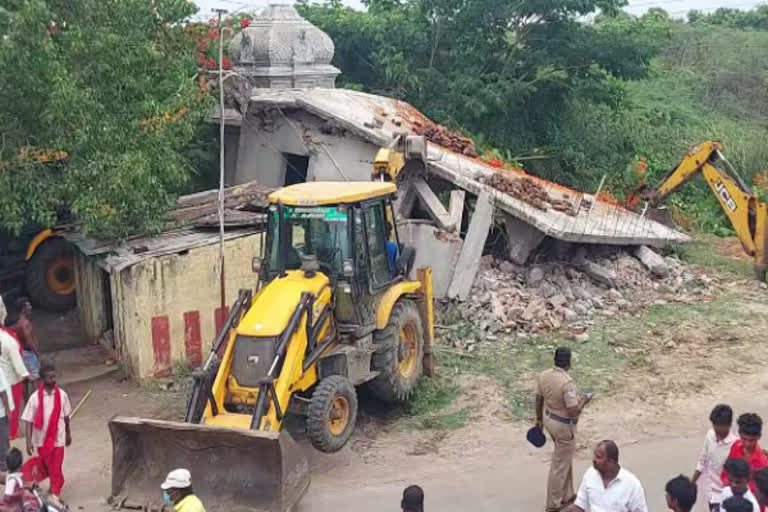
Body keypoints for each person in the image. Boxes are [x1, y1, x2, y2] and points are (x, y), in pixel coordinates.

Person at [536, 346, 592, 512]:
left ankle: (567, 495)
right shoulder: (567, 384)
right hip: (563, 427)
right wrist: (584, 400)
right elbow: (573, 411)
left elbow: (538, 398)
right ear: (569, 362)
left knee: (564, 459)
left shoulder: (543, 375)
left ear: (555, 360)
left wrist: (538, 419)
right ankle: (553, 505)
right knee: (559, 465)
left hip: (548, 420)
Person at [21, 361, 72, 505]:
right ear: (42, 380)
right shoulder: (34, 398)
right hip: (41, 440)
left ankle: (55, 493)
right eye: (50, 378)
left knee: (56, 466)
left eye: (54, 377)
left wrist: (68, 434)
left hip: (58, 437)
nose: (53, 380)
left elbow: (67, 416)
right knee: (46, 466)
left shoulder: (62, 395)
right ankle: (53, 484)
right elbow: (28, 420)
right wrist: (28, 441)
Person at [567, 440, 648, 512]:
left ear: (611, 461)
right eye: (594, 455)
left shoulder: (632, 484)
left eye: (598, 457)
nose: (594, 460)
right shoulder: (590, 474)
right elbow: (580, 505)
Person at [693, 404, 739, 511]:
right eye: (714, 425)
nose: (715, 429)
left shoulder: (735, 444)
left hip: (725, 496)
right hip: (710, 493)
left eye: (719, 426)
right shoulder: (710, 435)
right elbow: (702, 461)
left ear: (728, 425)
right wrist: (692, 482)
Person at [723, 413, 768, 508]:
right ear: (739, 434)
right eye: (744, 439)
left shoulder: (763, 462)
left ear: (759, 437)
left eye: (751, 440)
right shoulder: (735, 446)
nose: (747, 444)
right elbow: (726, 472)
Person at [7, 297, 41, 385]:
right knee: (36, 379)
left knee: (25, 381)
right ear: (23, 309)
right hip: (30, 354)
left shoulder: (18, 324)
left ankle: (27, 399)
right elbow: (29, 341)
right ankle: (36, 398)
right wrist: (38, 354)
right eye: (28, 306)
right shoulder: (25, 323)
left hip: (23, 354)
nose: (31, 307)